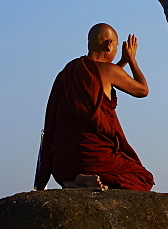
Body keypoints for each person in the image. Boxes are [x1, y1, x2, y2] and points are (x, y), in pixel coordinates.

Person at [33, 23, 154, 192]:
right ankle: (89, 176)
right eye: (117, 46)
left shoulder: (68, 72)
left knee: (75, 167)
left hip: (62, 163)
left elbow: (96, 82)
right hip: (94, 158)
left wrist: (122, 62)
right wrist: (132, 60)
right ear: (109, 45)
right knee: (142, 177)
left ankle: (72, 181)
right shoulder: (109, 71)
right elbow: (142, 90)